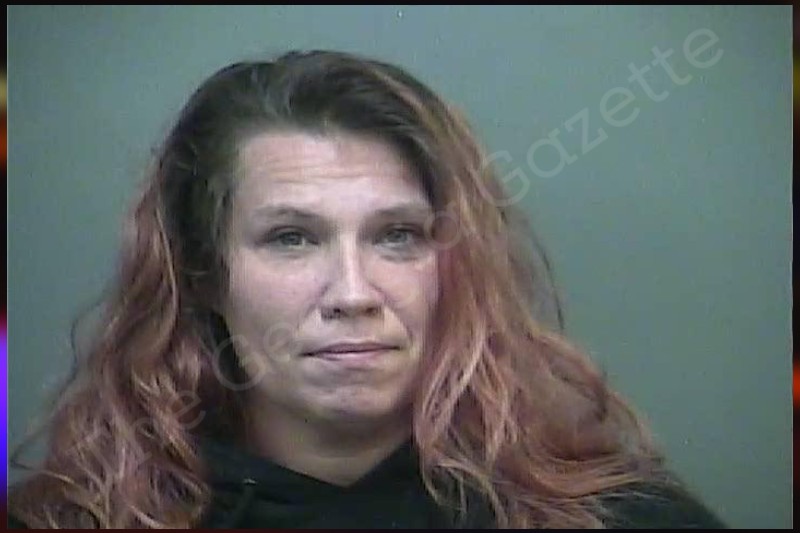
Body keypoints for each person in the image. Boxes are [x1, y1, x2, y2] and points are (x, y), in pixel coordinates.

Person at [7, 49, 726, 529]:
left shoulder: (623, 519)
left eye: (398, 236)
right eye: (292, 238)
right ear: (205, 276)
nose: (352, 294)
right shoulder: (67, 520)